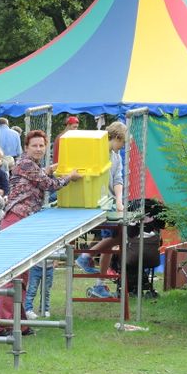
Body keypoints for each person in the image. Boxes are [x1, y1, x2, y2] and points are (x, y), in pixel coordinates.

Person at [0, 129, 80, 328]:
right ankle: (5, 325)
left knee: (23, 274)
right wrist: (69, 176)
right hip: (16, 220)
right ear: (26, 148)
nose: (39, 149)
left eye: (42, 145)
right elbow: (49, 185)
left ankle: (20, 324)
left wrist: (48, 169)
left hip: (26, 221)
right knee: (13, 275)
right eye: (34, 145)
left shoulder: (33, 165)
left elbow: (39, 177)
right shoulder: (25, 163)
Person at [76, 121, 128, 298]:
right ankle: (85, 255)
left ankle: (99, 283)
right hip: (99, 202)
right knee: (117, 237)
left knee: (112, 240)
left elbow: (118, 179)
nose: (122, 146)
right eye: (122, 142)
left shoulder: (117, 156)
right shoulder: (98, 152)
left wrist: (120, 201)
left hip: (111, 202)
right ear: (116, 137)